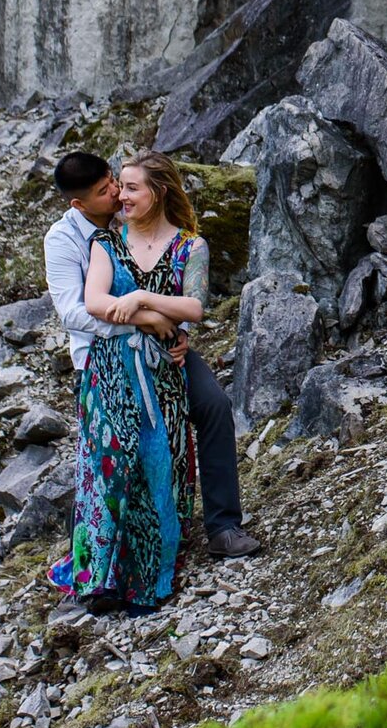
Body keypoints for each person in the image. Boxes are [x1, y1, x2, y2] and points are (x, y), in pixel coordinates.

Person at [42, 153, 259, 604]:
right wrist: (144, 319)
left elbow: (193, 304)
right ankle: (98, 552)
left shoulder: (181, 242)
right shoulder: (71, 239)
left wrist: (165, 324)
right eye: (109, 190)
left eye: (120, 184)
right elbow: (75, 311)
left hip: (166, 352)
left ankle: (221, 526)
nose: (117, 194)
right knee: (112, 451)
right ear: (82, 204)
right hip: (101, 353)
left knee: (213, 407)